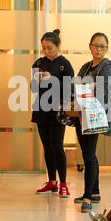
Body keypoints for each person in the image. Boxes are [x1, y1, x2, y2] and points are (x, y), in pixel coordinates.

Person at [73, 32, 111, 204]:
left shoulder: (107, 66)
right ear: (89, 46)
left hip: (95, 116)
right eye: (95, 45)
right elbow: (75, 84)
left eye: (102, 46)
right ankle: (95, 192)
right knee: (87, 154)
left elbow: (105, 88)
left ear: (106, 49)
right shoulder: (86, 66)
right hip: (81, 114)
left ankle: (87, 197)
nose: (98, 49)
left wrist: (90, 85)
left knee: (89, 156)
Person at [31, 30, 74, 197]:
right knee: (47, 147)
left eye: (49, 48)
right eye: (43, 48)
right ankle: (52, 182)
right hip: (41, 109)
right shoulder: (39, 62)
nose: (46, 51)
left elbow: (70, 89)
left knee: (57, 146)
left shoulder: (65, 64)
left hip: (58, 110)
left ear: (58, 46)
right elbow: (33, 88)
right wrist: (38, 80)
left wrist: (53, 79)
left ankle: (63, 183)